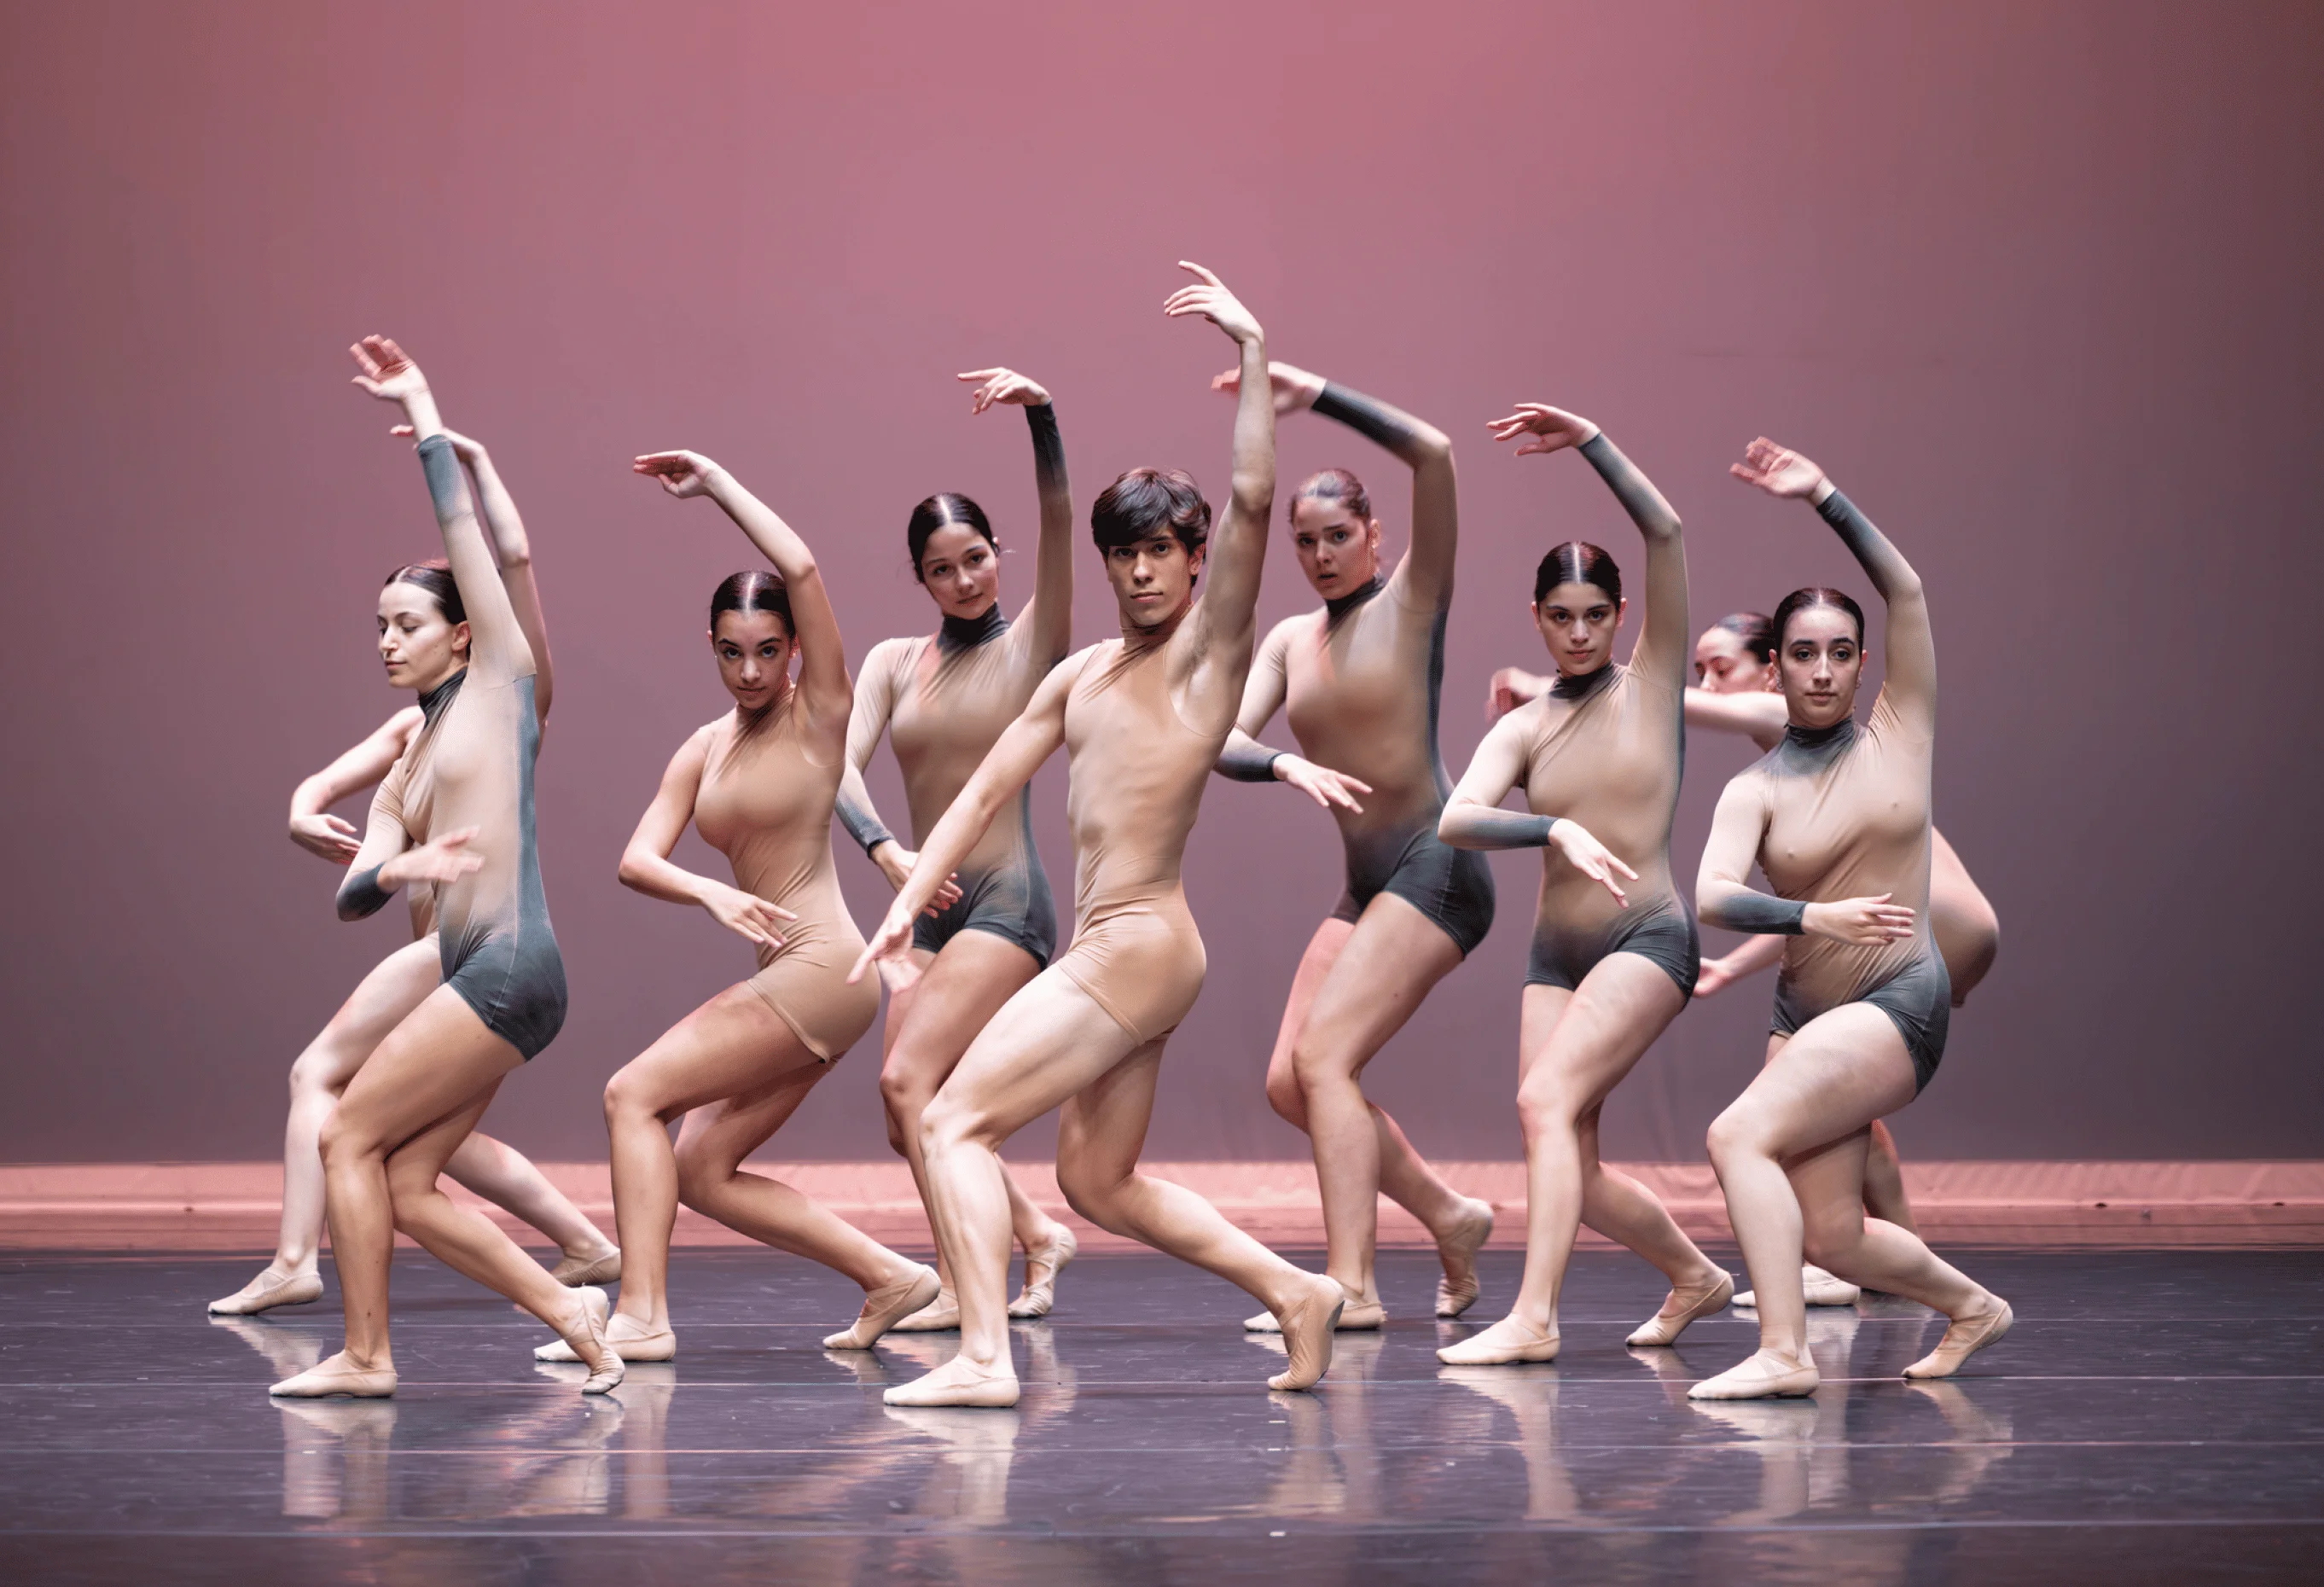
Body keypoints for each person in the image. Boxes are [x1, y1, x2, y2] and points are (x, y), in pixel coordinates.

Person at [851, 264, 1347, 1407]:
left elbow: (1254, 502)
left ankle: (985, 1359)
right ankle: (1297, 1292)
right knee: (1097, 1181)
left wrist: (1254, 353)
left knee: (952, 1120)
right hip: (1125, 948)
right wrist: (903, 900)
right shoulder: (1078, 675)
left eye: (1160, 551)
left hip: (1138, 943)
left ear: (1193, 559)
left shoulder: (1206, 661)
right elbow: (982, 794)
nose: (1139, 570)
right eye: (1124, 553)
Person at [270, 336, 619, 1398]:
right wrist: (391, 868)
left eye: (407, 625)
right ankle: (572, 1307)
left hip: (510, 964)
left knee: (346, 1135)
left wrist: (422, 409)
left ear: (461, 637)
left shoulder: (503, 683)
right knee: (408, 1182)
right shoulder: (401, 776)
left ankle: (367, 1358)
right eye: (378, 628)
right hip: (478, 971)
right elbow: (352, 897)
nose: (387, 641)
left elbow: (476, 539)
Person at [552, 445, 938, 1368]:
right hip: (802, 979)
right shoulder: (703, 747)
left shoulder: (820, 714)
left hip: (821, 969)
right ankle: (892, 1276)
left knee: (631, 1094)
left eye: (769, 651)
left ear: (795, 648)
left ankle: (642, 1316)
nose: (752, 672)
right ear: (713, 648)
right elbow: (636, 859)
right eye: (733, 653)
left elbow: (800, 567)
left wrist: (717, 486)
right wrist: (709, 890)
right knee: (698, 1169)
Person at [1689, 438, 2012, 1400]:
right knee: (1832, 1233)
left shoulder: (1900, 735)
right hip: (1805, 1016)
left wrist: (1822, 494)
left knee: (1736, 1136)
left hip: (1899, 1002)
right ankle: (1974, 1307)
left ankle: (1784, 1354)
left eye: (1840, 654)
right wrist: (1814, 916)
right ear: (1775, 669)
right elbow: (1711, 896)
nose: (1823, 671)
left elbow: (1905, 589)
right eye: (1803, 654)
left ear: (1865, 664)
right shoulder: (1754, 788)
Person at [1432, 403, 1733, 1366]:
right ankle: (1696, 1275)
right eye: (1560, 618)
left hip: (1648, 936)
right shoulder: (1524, 726)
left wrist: (1593, 441)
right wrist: (1552, 825)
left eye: (1596, 615)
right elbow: (1457, 818)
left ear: (1621, 616)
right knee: (1566, 1150)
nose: (1578, 633)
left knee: (1542, 1109)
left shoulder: (1652, 685)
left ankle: (1535, 1320)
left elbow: (1667, 531)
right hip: (1554, 956)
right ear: (1537, 619)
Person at [1200, 361, 1496, 1330]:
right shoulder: (1291, 641)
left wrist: (1317, 394)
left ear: (1375, 535)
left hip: (1439, 868)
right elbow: (1222, 741)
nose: (1322, 555)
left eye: (1338, 536)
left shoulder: (1414, 599)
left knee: (1325, 1061)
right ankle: (1449, 1215)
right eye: (1306, 541)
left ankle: (1353, 1288)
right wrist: (1282, 765)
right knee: (1291, 1082)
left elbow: (1436, 454)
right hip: (1367, 882)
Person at [833, 368, 1079, 1330]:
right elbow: (834, 768)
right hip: (926, 908)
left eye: (977, 559)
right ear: (922, 579)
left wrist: (1040, 418)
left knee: (910, 1083)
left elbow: (1060, 521)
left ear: (996, 555)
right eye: (944, 569)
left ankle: (965, 1287)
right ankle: (1033, 1232)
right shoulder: (896, 663)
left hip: (1008, 902)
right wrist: (885, 852)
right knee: (909, 1112)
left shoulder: (1032, 646)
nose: (966, 580)